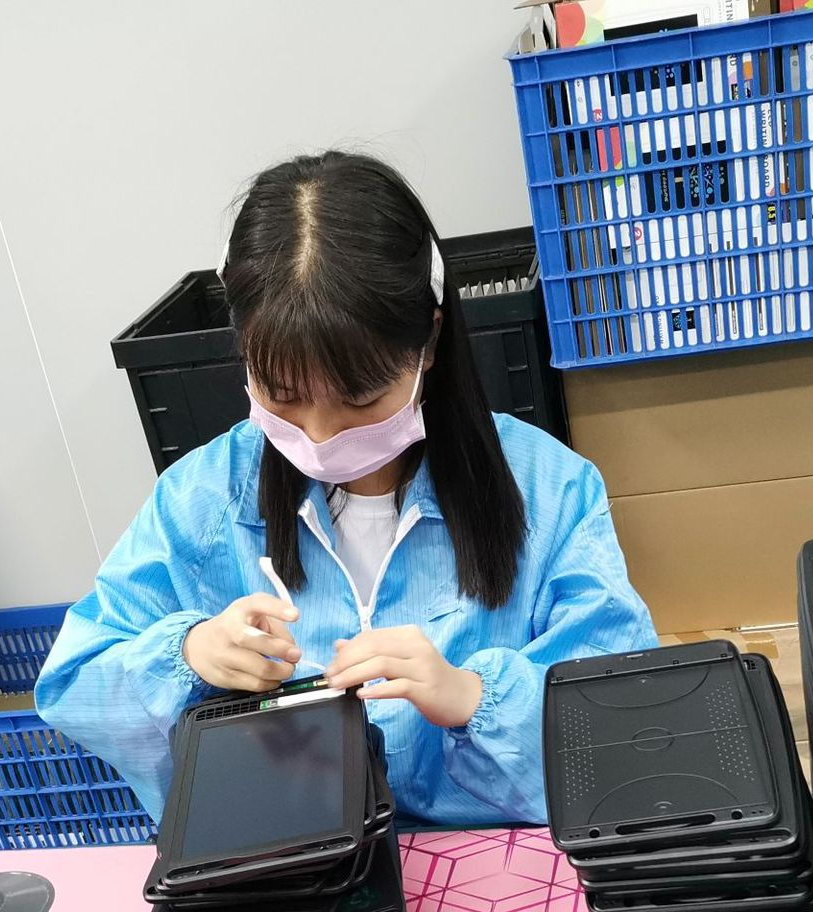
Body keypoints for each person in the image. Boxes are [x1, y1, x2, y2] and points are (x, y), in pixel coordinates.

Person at [36, 151, 655, 826]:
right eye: (283, 395)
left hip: (496, 860)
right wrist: (186, 655)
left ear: (428, 342)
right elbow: (73, 683)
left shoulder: (548, 489)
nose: (320, 434)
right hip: (293, 860)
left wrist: (475, 698)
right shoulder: (203, 501)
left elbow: (630, 709)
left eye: (360, 399)